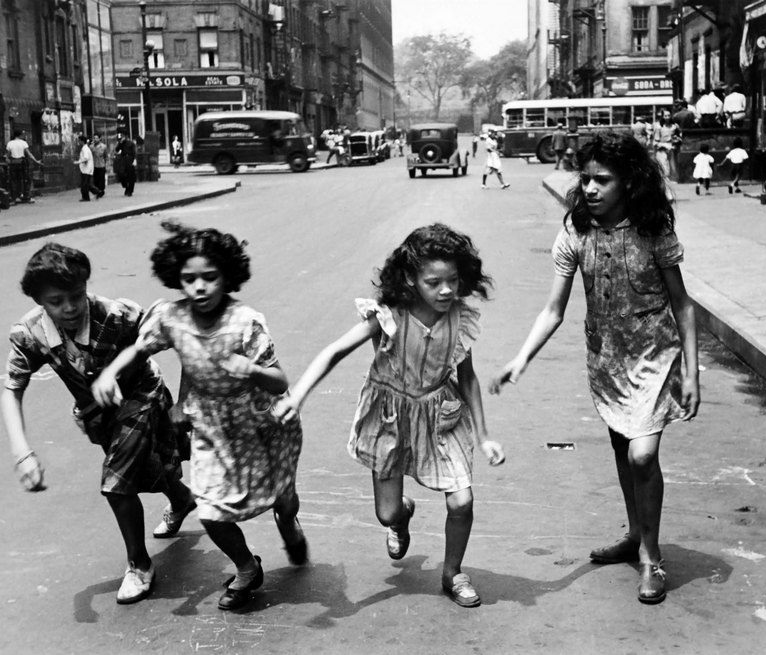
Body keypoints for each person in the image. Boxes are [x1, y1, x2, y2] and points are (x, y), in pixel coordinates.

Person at [490, 132, 699, 605]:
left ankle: (650, 556)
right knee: (623, 447)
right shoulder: (575, 233)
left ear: (629, 182)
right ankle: (633, 533)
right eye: (585, 178)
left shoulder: (653, 230)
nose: (589, 188)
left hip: (654, 355)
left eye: (602, 180)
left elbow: (684, 306)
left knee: (642, 456)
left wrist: (692, 370)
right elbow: (553, 310)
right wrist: (520, 360)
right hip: (606, 359)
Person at [273, 223, 505, 608]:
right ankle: (402, 516)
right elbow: (333, 352)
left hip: (440, 416)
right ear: (412, 280)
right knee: (386, 512)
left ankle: (452, 572)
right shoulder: (388, 316)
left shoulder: (459, 319)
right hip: (390, 419)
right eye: (434, 282)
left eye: (452, 280)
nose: (446, 290)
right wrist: (297, 396)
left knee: (461, 501)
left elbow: (468, 378)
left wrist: (484, 436)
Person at [92, 222, 308, 611]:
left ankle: (289, 524)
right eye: (189, 279)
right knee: (210, 511)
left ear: (228, 275)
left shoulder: (246, 322)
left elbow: (279, 381)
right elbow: (139, 350)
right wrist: (110, 373)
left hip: (261, 422)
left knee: (283, 498)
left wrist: (252, 370)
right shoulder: (170, 317)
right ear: (177, 278)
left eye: (210, 277)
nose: (200, 288)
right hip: (210, 427)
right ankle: (246, 568)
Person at [1, 243, 196, 605]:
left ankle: (139, 565)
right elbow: (12, 390)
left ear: (86, 286)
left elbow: (183, 340)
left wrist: (184, 401)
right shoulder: (30, 333)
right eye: (56, 301)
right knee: (149, 469)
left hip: (143, 397)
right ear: (39, 301)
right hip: (99, 414)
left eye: (76, 296)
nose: (70, 307)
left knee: (116, 484)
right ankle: (182, 499)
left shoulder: (120, 315)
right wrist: (22, 453)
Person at [6, 129, 41, 204]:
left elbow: (8, 155)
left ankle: (14, 198)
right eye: (23, 134)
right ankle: (26, 196)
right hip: (22, 163)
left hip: (13, 163)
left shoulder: (10, 143)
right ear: (20, 135)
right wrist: (36, 161)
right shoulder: (23, 143)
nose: (24, 135)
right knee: (25, 180)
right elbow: (29, 154)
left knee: (13, 181)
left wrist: (8, 161)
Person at [651, 112, 680, 181]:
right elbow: (656, 141)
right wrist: (661, 146)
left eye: (669, 115)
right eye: (665, 116)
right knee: (664, 165)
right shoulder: (659, 127)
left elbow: (679, 136)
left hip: (672, 148)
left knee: (673, 166)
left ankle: (674, 179)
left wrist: (676, 141)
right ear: (663, 117)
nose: (667, 117)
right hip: (662, 148)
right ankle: (664, 179)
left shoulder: (674, 126)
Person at [74, 135, 101, 202]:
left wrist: (78, 162)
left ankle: (86, 197)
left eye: (79, 141)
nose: (79, 142)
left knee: (84, 184)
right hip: (87, 169)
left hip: (86, 169)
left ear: (82, 141)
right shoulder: (85, 148)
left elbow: (86, 158)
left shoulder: (85, 149)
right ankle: (97, 192)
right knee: (87, 184)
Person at [114, 131, 137, 197]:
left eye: (123, 136)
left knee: (130, 176)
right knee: (121, 174)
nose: (122, 138)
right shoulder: (121, 143)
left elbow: (134, 152)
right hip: (123, 159)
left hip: (130, 160)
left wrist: (134, 160)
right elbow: (117, 150)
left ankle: (130, 190)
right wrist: (120, 143)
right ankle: (126, 185)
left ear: (126, 136)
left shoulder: (131, 143)